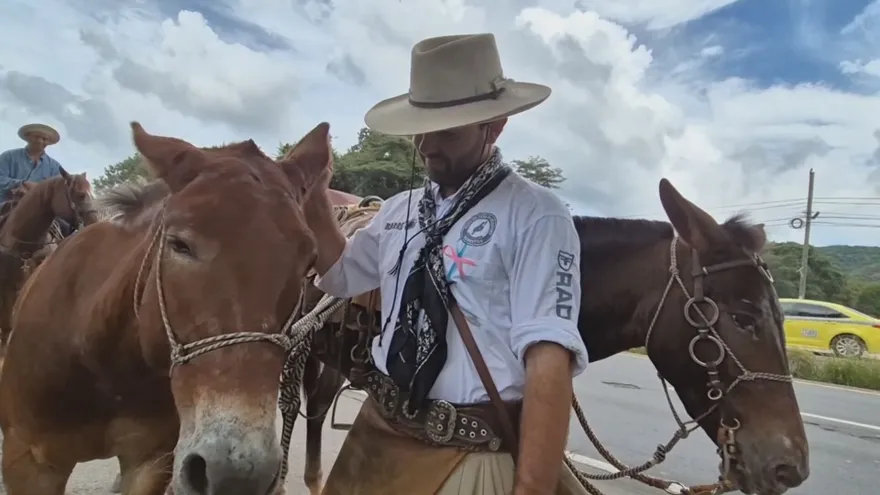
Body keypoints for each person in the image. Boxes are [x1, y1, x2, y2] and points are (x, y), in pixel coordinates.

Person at [303, 33, 590, 495]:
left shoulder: (536, 215)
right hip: (376, 434)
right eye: (422, 128)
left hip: (466, 455)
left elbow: (548, 361)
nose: (427, 146)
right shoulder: (399, 210)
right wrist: (315, 197)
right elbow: (340, 276)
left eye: (448, 131)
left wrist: (531, 487)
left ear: (495, 126)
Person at [0, 123, 73, 236]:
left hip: (38, 211)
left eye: (44, 139)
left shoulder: (54, 166)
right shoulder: (8, 156)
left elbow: (57, 191)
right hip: (6, 204)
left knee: (65, 228)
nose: (40, 141)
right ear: (28, 137)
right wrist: (21, 184)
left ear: (48, 143)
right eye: (36, 137)